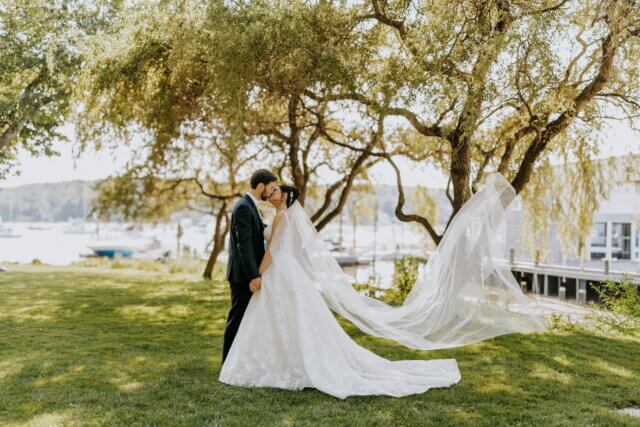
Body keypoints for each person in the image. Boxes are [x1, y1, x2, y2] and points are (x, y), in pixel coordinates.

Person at [219, 173, 545, 399]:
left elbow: (274, 252)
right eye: (270, 189)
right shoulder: (284, 216)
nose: (270, 193)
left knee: (283, 319)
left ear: (283, 196)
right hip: (288, 274)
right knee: (288, 320)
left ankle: (282, 364)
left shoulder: (280, 217)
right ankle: (285, 362)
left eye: (275, 191)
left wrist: (257, 274)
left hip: (279, 272)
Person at [222, 169, 277, 364]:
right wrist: (253, 276)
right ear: (261, 186)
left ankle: (238, 362)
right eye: (270, 188)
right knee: (237, 319)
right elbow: (243, 245)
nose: (270, 193)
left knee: (245, 319)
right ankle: (227, 363)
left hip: (246, 273)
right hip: (242, 275)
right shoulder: (244, 207)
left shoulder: (250, 206)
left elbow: (257, 234)